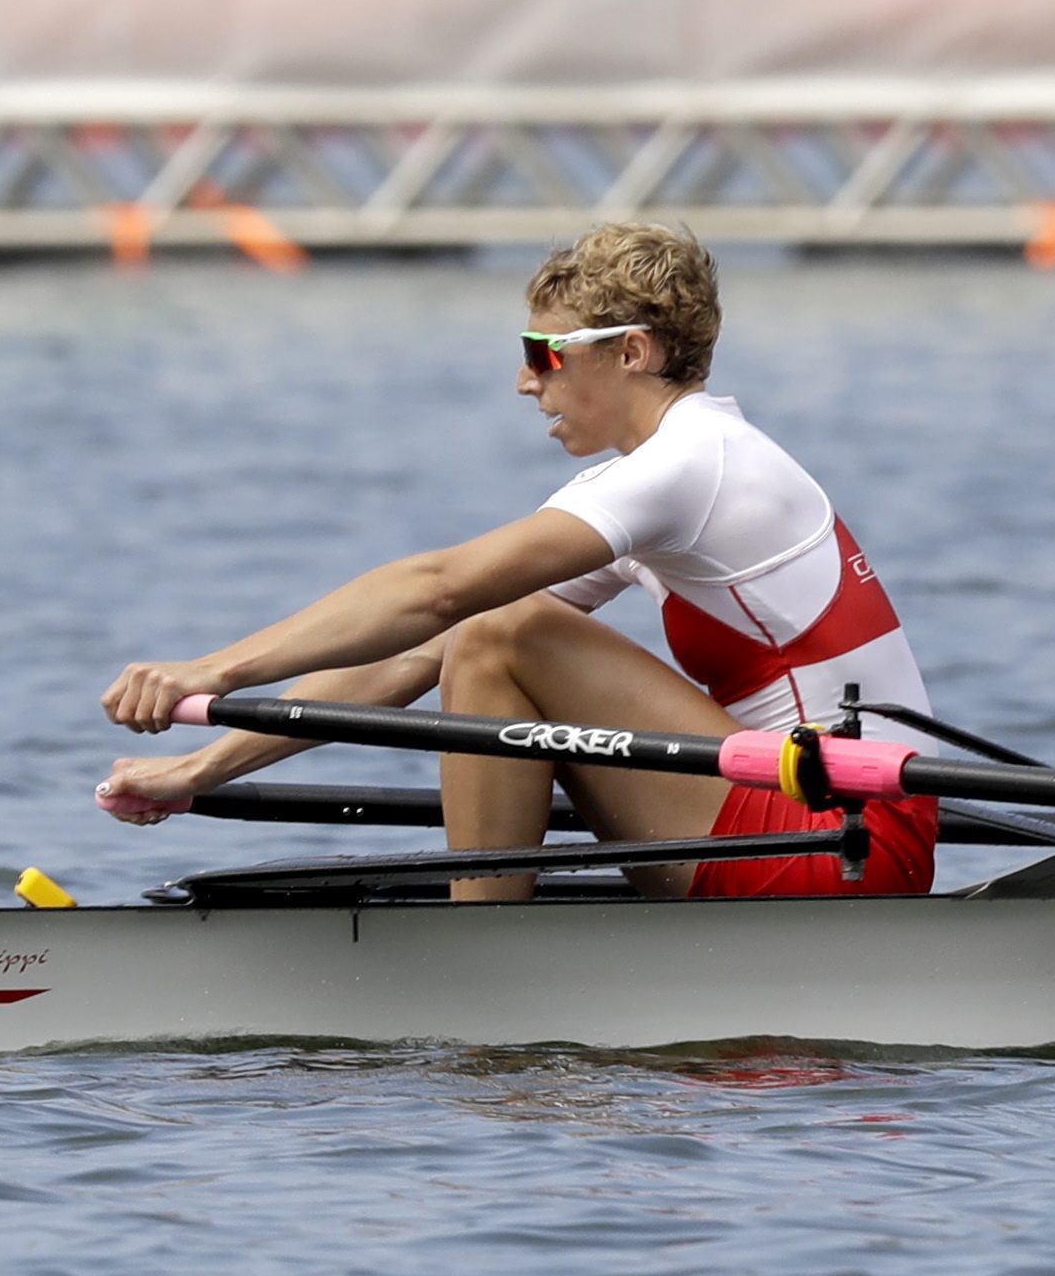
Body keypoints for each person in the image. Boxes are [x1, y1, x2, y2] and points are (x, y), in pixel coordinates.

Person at [93, 222, 938, 900]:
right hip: (803, 818)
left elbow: (439, 591)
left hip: (846, 839)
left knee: (501, 628)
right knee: (486, 632)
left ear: (631, 352)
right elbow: (416, 650)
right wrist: (201, 770)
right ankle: (491, 937)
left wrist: (208, 670)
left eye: (544, 352)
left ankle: (484, 950)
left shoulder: (696, 461)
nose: (525, 382)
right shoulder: (649, 477)